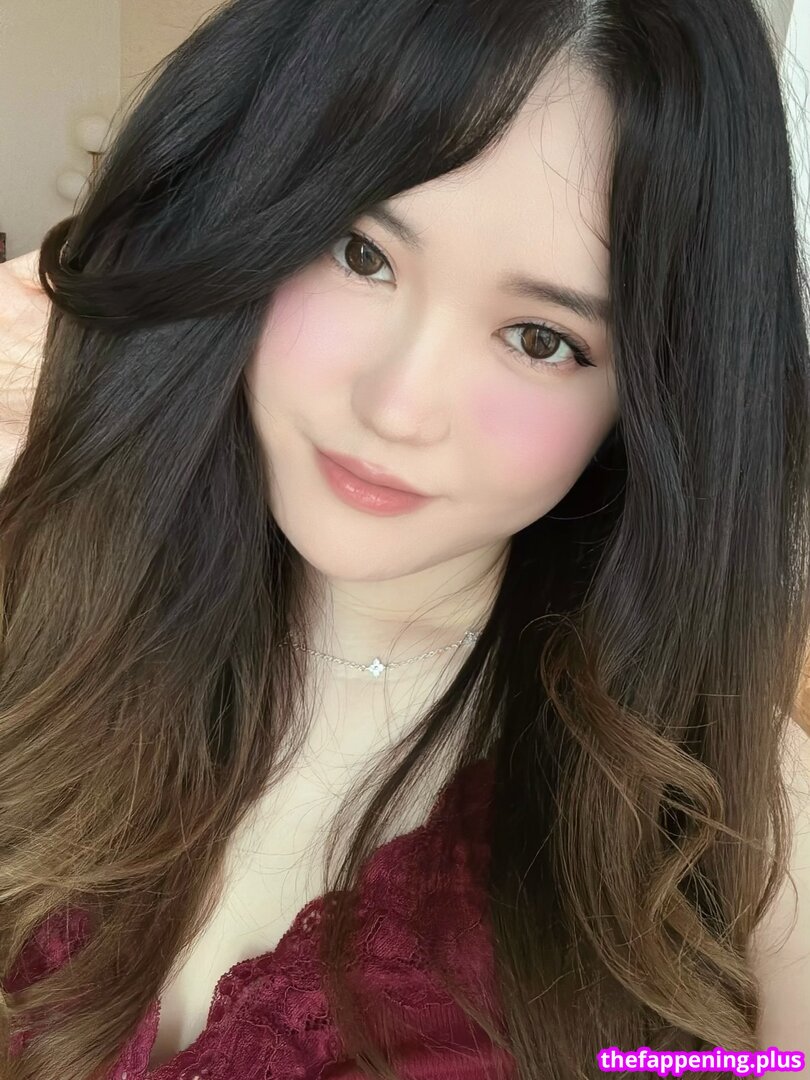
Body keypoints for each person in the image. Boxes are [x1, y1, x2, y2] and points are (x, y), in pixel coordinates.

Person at [0, 0, 809, 1077]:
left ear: (652, 399)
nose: (398, 406)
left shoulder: (739, 821)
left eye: (541, 339)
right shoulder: (41, 591)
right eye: (361, 252)